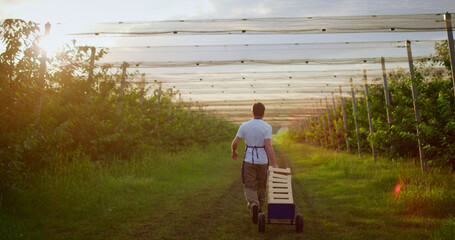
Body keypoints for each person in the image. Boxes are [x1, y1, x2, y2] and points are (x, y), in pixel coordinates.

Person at [231, 102, 278, 224]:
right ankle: (260, 209)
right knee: (261, 184)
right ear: (263, 113)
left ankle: (253, 204)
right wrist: (274, 163)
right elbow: (268, 146)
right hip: (262, 160)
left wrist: (234, 152)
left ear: (252, 112)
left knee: (249, 184)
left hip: (249, 160)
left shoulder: (245, 125)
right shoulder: (267, 127)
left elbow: (235, 142)